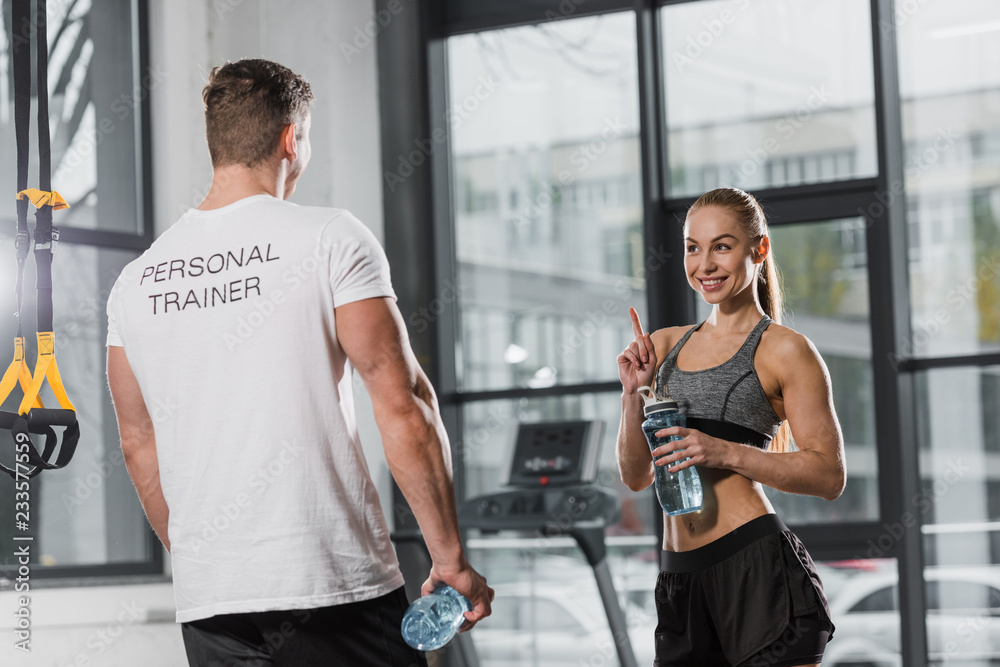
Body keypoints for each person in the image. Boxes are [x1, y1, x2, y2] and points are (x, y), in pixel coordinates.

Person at [105, 58, 492, 667]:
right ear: (292, 137)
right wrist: (450, 560)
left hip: (212, 601)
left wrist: (206, 560)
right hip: (332, 584)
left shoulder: (135, 281)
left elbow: (137, 442)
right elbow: (404, 406)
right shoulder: (331, 237)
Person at [616, 187, 844, 667]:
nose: (705, 264)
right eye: (693, 247)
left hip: (755, 570)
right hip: (679, 577)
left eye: (722, 246)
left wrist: (723, 452)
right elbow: (636, 475)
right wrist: (631, 393)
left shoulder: (785, 349)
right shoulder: (663, 345)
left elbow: (829, 476)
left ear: (758, 249)